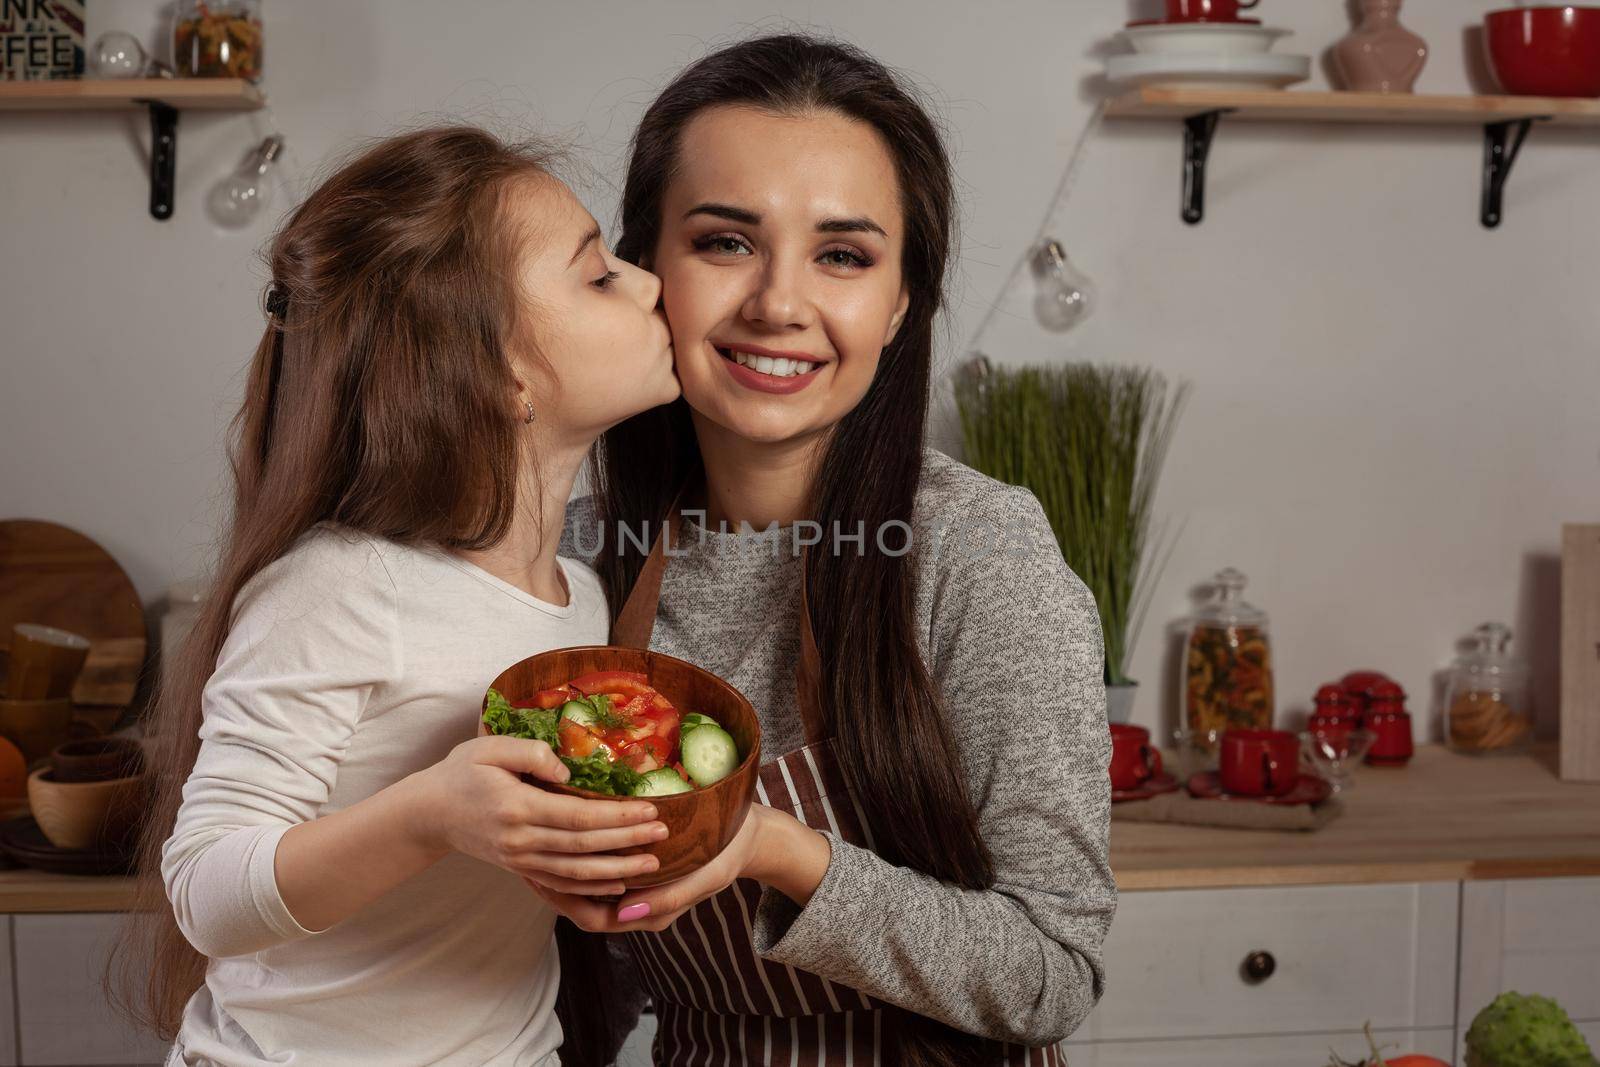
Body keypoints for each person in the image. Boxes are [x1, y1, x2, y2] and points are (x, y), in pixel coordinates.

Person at [548, 34, 1116, 1067]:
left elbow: (1050, 969)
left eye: (842, 255)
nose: (777, 302)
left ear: (899, 302)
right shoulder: (586, 549)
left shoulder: (980, 551)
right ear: (643, 270)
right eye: (725, 241)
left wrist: (771, 848)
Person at [111, 125, 680, 1066]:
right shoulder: (342, 587)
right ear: (504, 375)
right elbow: (206, 890)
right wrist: (429, 815)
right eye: (599, 275)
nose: (650, 282)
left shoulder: (582, 596)